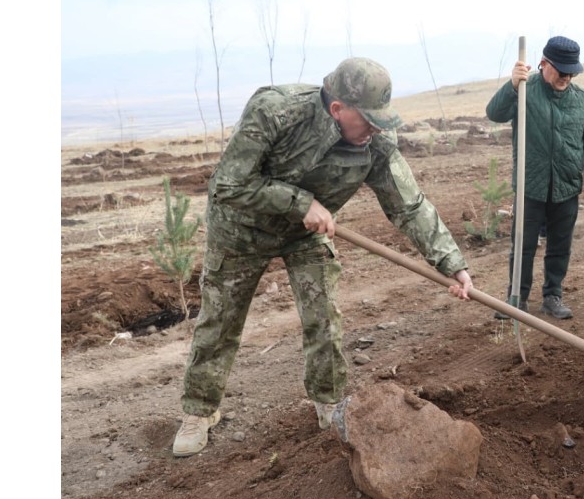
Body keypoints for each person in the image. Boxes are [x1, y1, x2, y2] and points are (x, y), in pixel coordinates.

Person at [173, 57, 475, 457]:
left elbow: (410, 206)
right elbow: (229, 183)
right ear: (337, 109)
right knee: (221, 320)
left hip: (306, 235)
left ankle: (328, 403)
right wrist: (300, 202)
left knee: (324, 317)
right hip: (241, 229)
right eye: (367, 119)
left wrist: (451, 263)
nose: (375, 128)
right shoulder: (276, 111)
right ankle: (199, 410)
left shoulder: (377, 141)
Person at [486, 36, 584, 320]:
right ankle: (517, 298)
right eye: (561, 70)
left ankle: (553, 295)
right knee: (523, 245)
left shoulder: (582, 99)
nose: (567, 77)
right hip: (531, 184)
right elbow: (494, 113)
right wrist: (512, 85)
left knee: (560, 244)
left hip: (566, 184)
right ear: (543, 64)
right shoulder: (526, 90)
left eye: (571, 71)